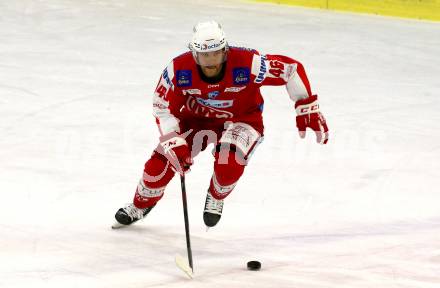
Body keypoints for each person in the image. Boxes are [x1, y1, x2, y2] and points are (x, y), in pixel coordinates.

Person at [114, 20, 329, 228]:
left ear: (225, 50)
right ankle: (140, 205)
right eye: (205, 55)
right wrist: (173, 138)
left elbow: (290, 69)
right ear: (195, 53)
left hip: (241, 120)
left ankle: (216, 196)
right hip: (195, 120)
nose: (211, 60)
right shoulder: (177, 70)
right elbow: (161, 105)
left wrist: (306, 104)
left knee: (228, 166)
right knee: (158, 167)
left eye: (216, 53)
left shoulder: (248, 63)